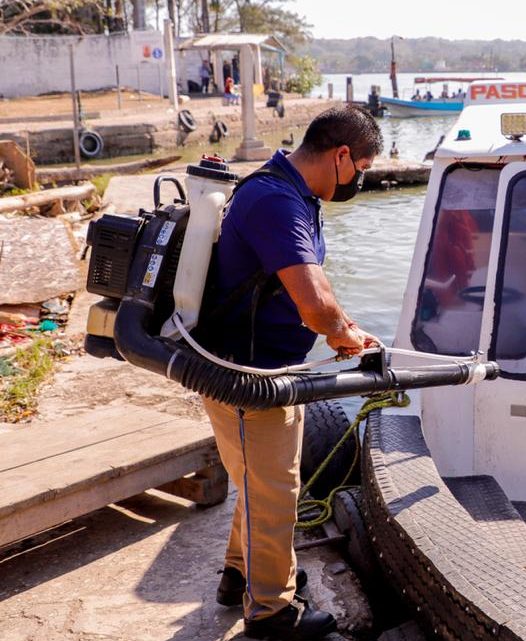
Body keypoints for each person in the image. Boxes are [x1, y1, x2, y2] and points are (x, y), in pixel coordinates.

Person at [203, 105, 384, 640]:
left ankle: (240, 575)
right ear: (341, 155)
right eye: (363, 167)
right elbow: (311, 303)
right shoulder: (277, 202)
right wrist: (337, 332)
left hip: (264, 367)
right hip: (249, 374)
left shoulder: (288, 191)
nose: (360, 179)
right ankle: (272, 613)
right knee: (274, 488)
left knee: (260, 480)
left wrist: (345, 324)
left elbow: (310, 284)